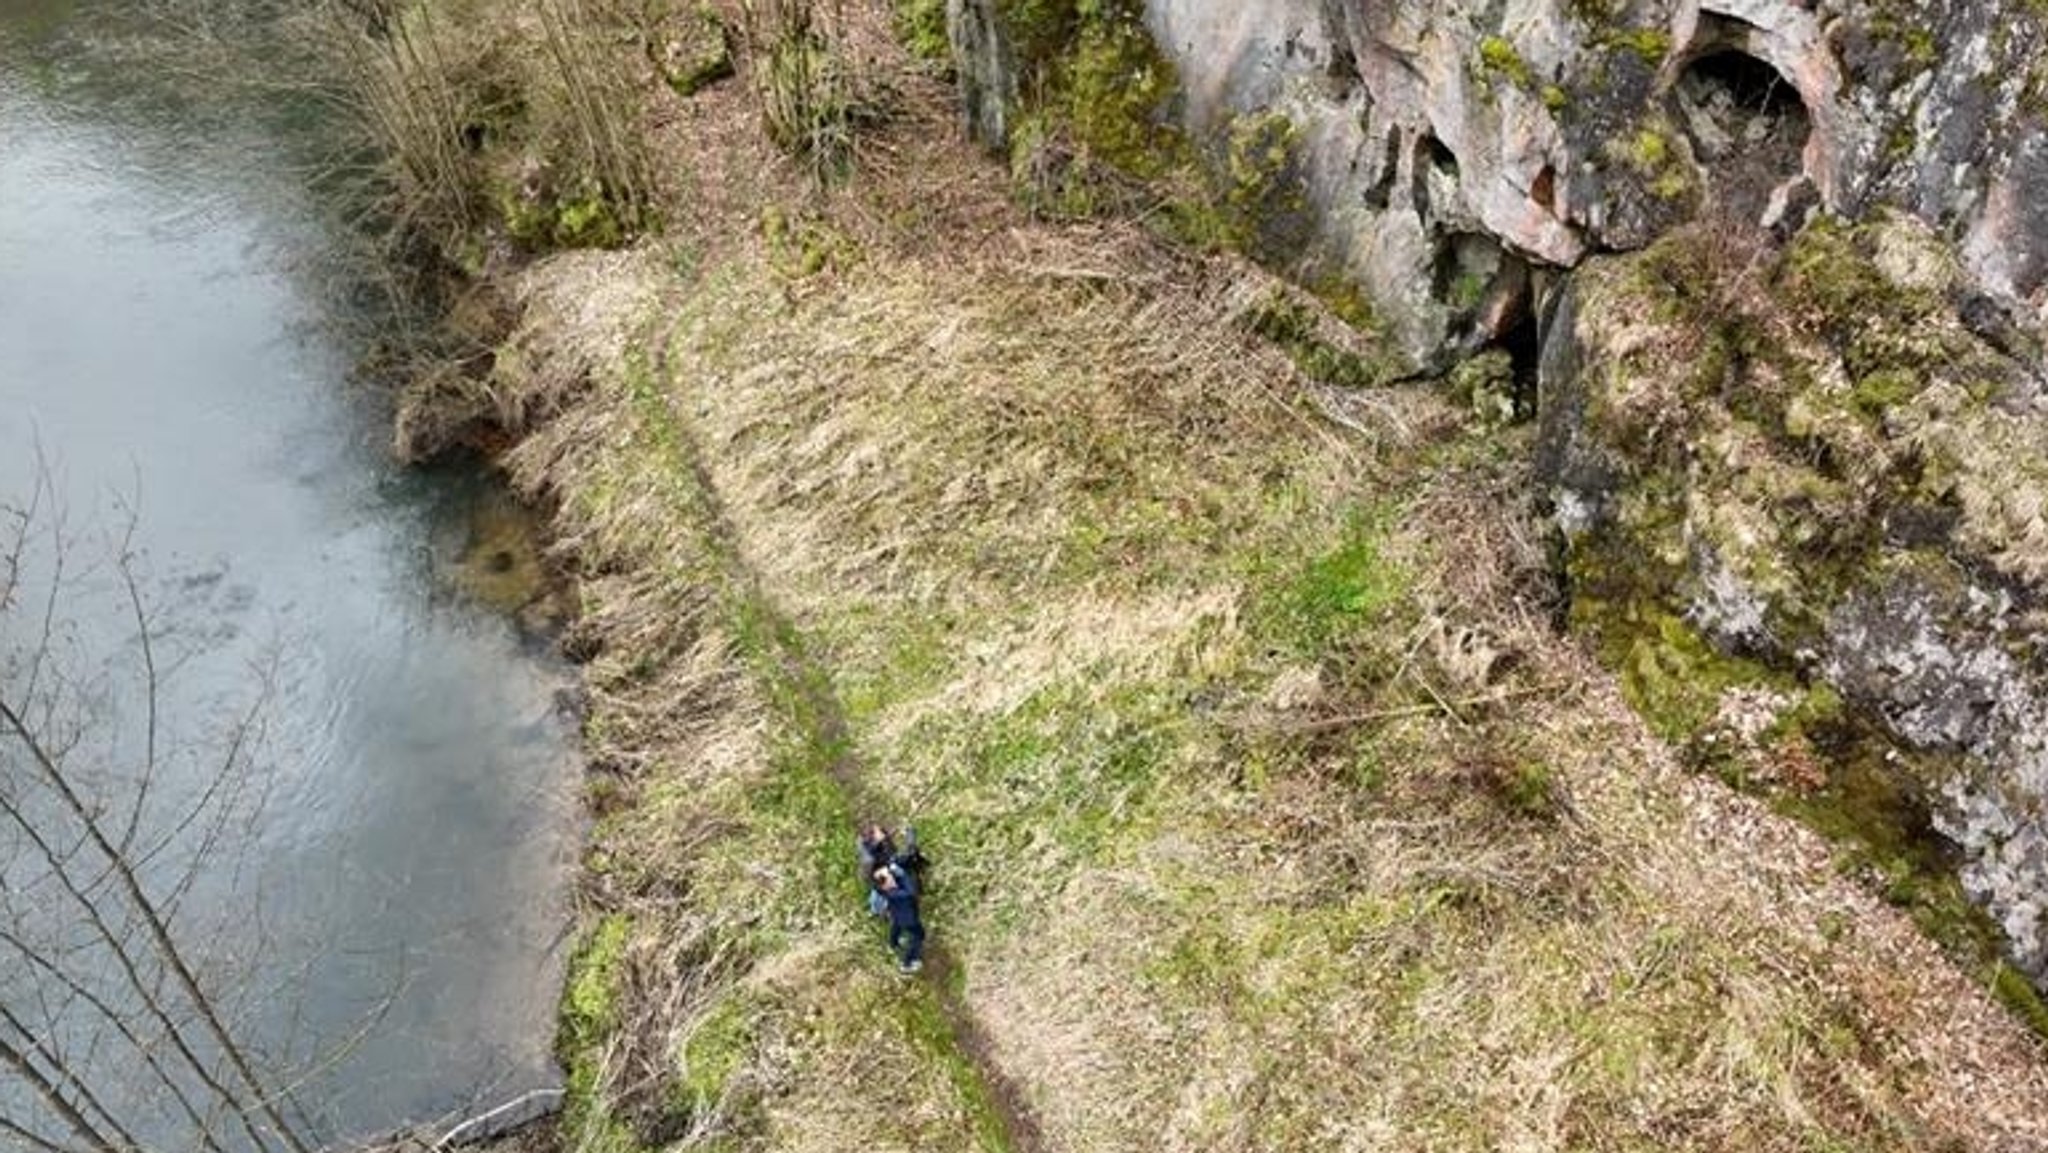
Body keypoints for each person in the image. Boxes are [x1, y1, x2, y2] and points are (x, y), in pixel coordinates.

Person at [873, 864, 924, 974]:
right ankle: (907, 963)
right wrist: (903, 874)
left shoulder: (886, 889)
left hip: (897, 915)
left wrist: (893, 871)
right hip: (909, 920)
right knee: (918, 937)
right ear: (885, 884)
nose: (892, 876)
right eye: (889, 876)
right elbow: (911, 892)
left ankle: (893, 944)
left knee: (896, 926)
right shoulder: (895, 894)